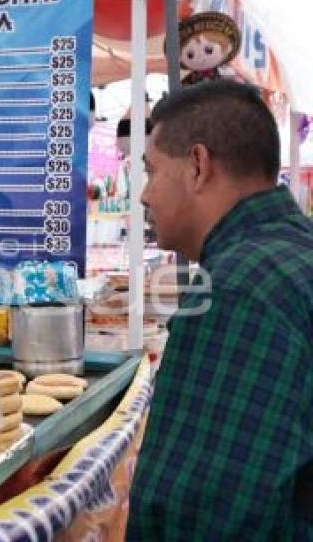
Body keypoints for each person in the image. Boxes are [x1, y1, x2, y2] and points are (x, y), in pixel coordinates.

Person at [128, 80, 313, 539]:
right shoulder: (294, 254)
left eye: (150, 170)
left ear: (197, 165)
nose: (143, 195)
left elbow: (198, 515)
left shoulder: (237, 293)